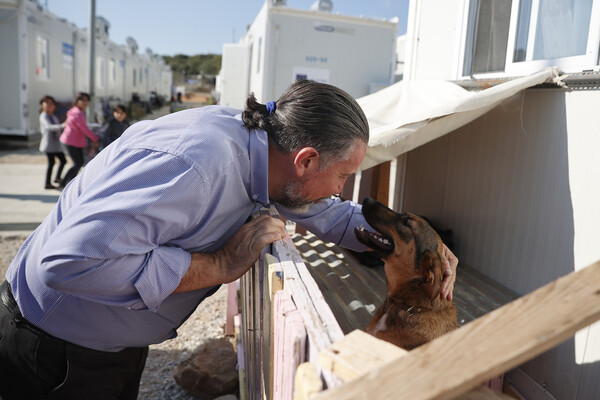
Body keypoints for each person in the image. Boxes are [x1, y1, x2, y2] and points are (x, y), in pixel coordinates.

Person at [0, 80, 458, 399]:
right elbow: (66, 264)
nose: (341, 190)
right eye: (343, 176)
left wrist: (424, 246)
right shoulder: (196, 165)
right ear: (306, 160)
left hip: (104, 343)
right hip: (54, 352)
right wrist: (217, 266)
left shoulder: (264, 153)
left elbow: (328, 211)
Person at [58, 92, 100, 189]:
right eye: (82, 100)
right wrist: (96, 138)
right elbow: (84, 129)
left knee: (79, 163)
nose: (85, 102)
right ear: (77, 101)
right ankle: (63, 183)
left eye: (87, 100)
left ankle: (70, 184)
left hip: (75, 142)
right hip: (70, 141)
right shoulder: (77, 113)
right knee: (77, 163)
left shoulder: (77, 112)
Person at [38, 95, 67, 189]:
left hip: (56, 145)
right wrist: (62, 125)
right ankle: (47, 183)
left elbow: (57, 129)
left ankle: (57, 178)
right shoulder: (43, 116)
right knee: (51, 163)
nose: (50, 105)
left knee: (63, 160)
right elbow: (48, 127)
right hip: (48, 144)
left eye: (51, 103)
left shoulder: (53, 116)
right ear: (42, 105)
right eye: (47, 103)